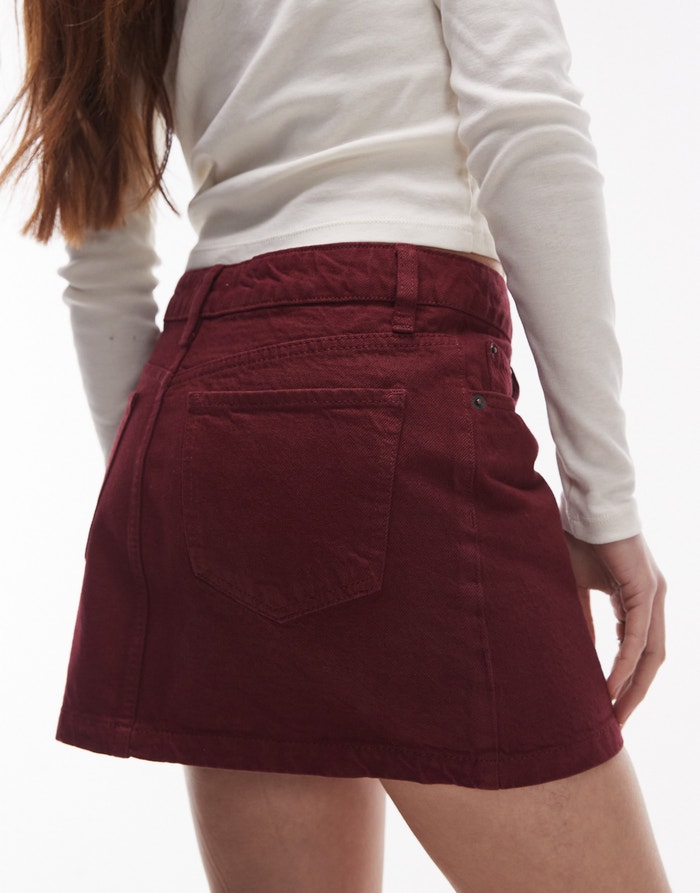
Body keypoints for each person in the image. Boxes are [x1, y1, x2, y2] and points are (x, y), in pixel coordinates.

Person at [1, 0, 671, 890]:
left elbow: (100, 270)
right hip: (402, 370)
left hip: (204, 409)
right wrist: (603, 500)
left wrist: (194, 505)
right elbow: (526, 123)